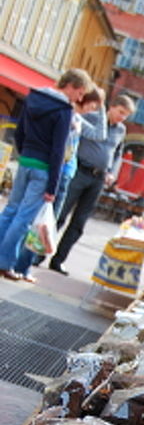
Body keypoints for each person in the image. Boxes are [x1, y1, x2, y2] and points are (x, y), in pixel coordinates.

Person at [0, 67, 91, 280]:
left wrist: (24, 152)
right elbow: (59, 149)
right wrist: (52, 186)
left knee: (10, 210)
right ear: (71, 87)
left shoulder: (34, 97)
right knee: (24, 217)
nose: (79, 98)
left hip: (26, 160)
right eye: (79, 93)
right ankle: (5, 263)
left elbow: (20, 131)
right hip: (43, 167)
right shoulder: (63, 110)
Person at [19, 86, 105, 278]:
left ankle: (25, 264)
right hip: (61, 172)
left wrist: (103, 108)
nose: (95, 109)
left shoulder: (76, 117)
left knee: (43, 221)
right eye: (93, 104)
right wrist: (53, 183)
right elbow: (60, 149)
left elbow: (99, 134)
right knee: (41, 222)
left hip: (65, 172)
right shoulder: (70, 115)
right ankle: (24, 264)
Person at [48, 93, 135, 275]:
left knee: (79, 222)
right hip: (80, 170)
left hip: (98, 178)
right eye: (120, 112)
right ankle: (39, 254)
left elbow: (117, 152)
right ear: (111, 107)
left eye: (126, 115)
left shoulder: (121, 130)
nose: (122, 117)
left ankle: (59, 260)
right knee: (60, 214)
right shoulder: (91, 118)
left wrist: (112, 171)